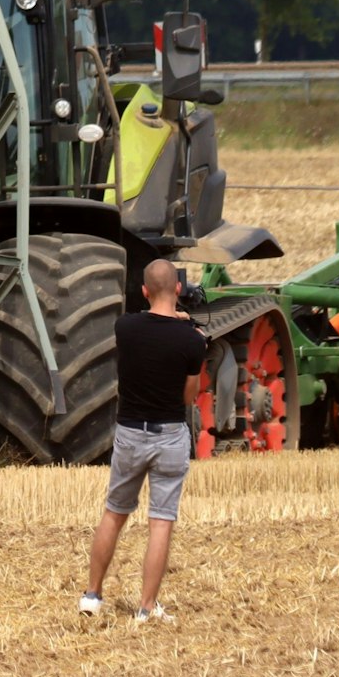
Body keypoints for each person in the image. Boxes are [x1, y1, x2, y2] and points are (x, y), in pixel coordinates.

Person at [79, 258, 204, 623]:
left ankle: (92, 596)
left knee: (114, 514)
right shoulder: (192, 342)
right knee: (161, 521)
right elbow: (188, 397)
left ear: (145, 290)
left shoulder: (126, 328)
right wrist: (184, 326)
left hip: (131, 433)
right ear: (178, 289)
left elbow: (148, 321)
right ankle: (147, 608)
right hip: (169, 437)